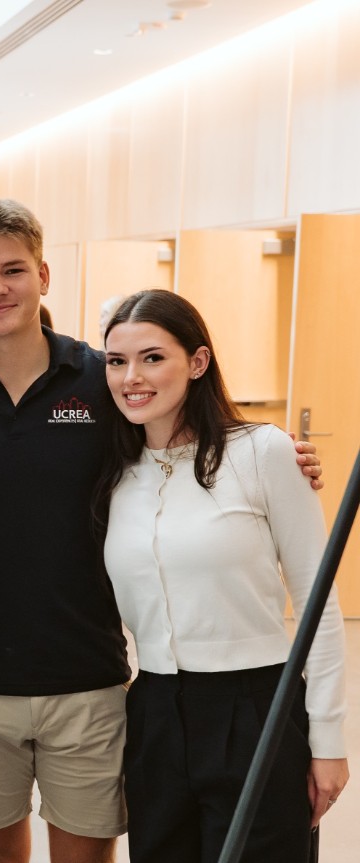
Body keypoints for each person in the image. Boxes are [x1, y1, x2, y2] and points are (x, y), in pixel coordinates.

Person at [0, 199, 322, 863]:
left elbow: (189, 431)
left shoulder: (103, 380)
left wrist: (278, 451)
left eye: (13, 268)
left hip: (90, 676)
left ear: (44, 274)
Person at [99, 289, 348, 862]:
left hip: (256, 705)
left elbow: (318, 604)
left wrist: (329, 741)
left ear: (198, 362)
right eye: (117, 361)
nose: (132, 376)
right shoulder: (113, 473)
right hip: (155, 711)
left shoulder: (264, 453)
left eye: (153, 357)